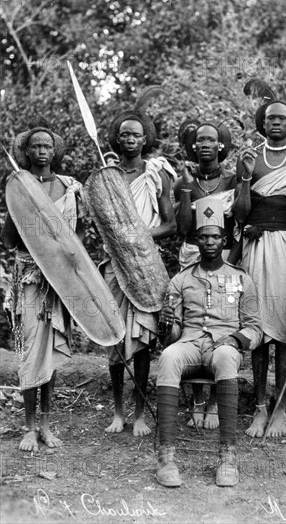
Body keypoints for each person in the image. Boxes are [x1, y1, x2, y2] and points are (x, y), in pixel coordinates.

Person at [155, 197, 262, 487]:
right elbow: (172, 337)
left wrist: (234, 339)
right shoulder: (180, 280)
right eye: (203, 237)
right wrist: (167, 324)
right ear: (197, 240)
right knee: (168, 357)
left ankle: (228, 458)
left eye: (215, 237)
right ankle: (167, 458)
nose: (210, 242)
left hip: (223, 347)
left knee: (227, 357)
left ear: (224, 240)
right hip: (190, 343)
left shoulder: (241, 279)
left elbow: (255, 328)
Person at [232, 100, 286, 438]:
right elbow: (240, 214)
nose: (276, 123)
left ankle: (280, 406)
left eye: (282, 118)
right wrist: (244, 177)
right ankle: (258, 408)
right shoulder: (250, 158)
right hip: (254, 244)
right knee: (256, 327)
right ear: (262, 123)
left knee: (281, 328)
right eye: (270, 119)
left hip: (285, 247)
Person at [2, 127, 86, 453]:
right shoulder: (18, 185)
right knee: (29, 354)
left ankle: (47, 425)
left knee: (50, 352)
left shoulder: (66, 187)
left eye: (46, 146)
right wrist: (19, 200)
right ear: (27, 151)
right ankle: (28, 427)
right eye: (35, 146)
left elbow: (71, 238)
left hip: (58, 280)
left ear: (54, 151)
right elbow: (10, 240)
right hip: (29, 279)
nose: (41, 151)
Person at [103, 110, 176, 437]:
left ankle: (140, 413)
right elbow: (102, 224)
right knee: (115, 337)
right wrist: (118, 240)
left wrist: (140, 236)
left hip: (146, 266)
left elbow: (170, 225)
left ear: (145, 139)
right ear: (117, 139)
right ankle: (118, 411)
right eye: (125, 134)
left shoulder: (155, 174)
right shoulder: (106, 177)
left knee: (143, 339)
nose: (130, 139)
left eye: (136, 134)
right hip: (114, 266)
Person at [174, 120, 237, 430]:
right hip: (191, 257)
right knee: (194, 324)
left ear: (220, 145)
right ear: (193, 146)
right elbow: (184, 228)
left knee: (221, 323)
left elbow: (237, 224)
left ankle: (214, 402)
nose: (205, 145)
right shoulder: (183, 181)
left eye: (211, 139)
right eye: (200, 140)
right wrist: (186, 189)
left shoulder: (232, 180)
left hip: (222, 258)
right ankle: (197, 400)